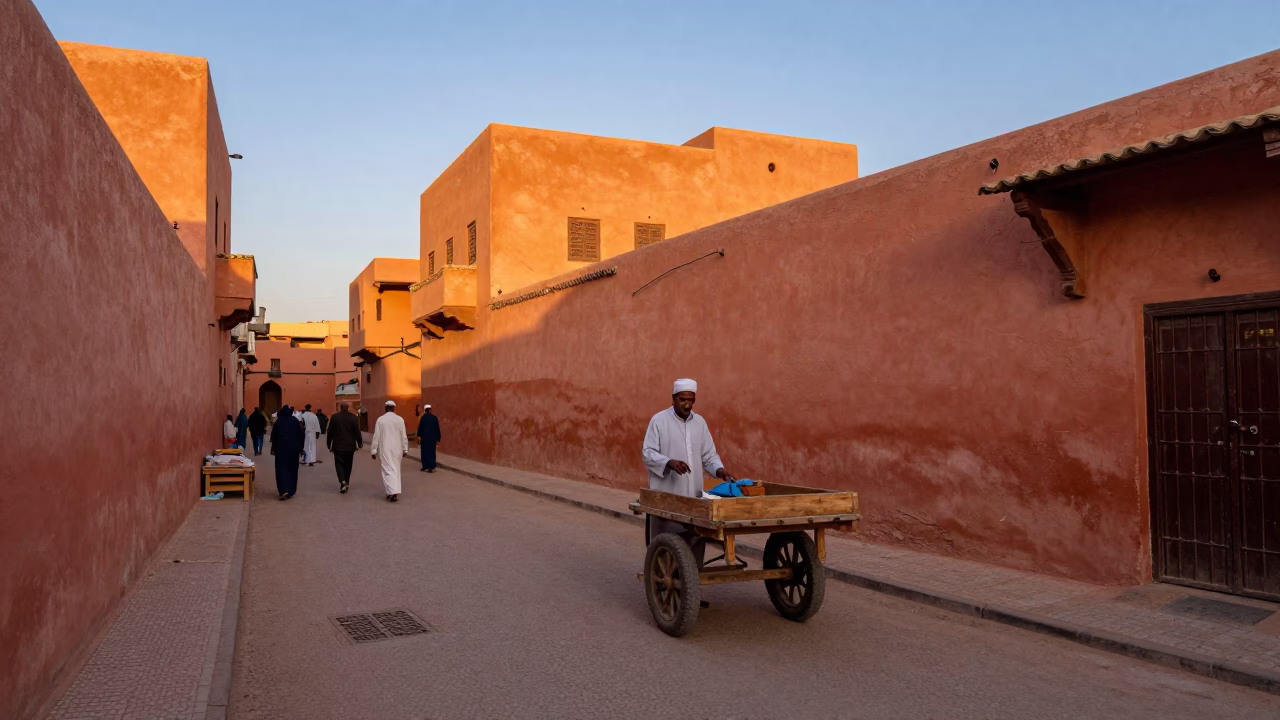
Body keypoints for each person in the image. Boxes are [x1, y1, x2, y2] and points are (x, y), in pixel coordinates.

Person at [642, 378, 736, 589]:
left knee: (695, 544)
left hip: (694, 497)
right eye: (683, 399)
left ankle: (690, 593)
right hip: (666, 497)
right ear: (674, 398)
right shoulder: (659, 421)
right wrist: (669, 462)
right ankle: (664, 593)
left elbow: (709, 455)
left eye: (691, 400)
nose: (687, 404)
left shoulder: (699, 423)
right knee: (667, 545)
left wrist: (719, 469)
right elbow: (647, 454)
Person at [370, 400, 408, 502]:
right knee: (395, 469)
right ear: (394, 408)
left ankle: (392, 492)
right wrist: (405, 448)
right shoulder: (400, 419)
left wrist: (373, 450)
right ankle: (391, 492)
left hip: (385, 448)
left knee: (387, 470)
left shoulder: (380, 420)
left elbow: (376, 436)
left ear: (385, 408)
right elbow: (403, 436)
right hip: (397, 449)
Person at [270, 404, 305, 500]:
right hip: (294, 449)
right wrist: (301, 448)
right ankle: (291, 490)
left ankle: (283, 490)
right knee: (292, 469)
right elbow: (301, 435)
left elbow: (274, 437)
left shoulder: (279, 421)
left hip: (281, 449)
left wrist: (273, 448)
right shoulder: (295, 421)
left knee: (281, 469)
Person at [326, 402, 362, 493]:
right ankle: (346, 481)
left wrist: (328, 443)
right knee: (348, 464)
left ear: (340, 408)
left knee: (339, 464)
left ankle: (342, 481)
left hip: (338, 445)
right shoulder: (353, 417)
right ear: (348, 408)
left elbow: (330, 431)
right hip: (350, 446)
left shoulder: (335, 417)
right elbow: (357, 431)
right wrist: (360, 442)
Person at [416, 404, 441, 473]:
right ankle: (432, 467)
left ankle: (425, 466)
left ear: (425, 410)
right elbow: (437, 429)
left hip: (425, 438)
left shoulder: (423, 418)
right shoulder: (434, 418)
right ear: (430, 410)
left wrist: (419, 436)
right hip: (432, 439)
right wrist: (438, 439)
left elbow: (420, 428)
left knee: (424, 452)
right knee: (431, 452)